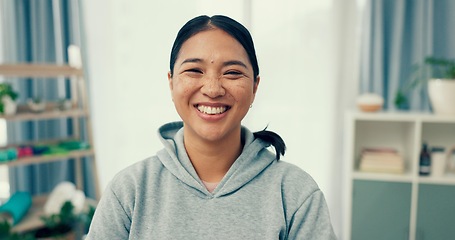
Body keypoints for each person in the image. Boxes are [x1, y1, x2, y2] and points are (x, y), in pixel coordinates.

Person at [86, 15, 336, 239]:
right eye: (194, 70)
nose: (213, 89)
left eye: (232, 73)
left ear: (255, 87)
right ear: (171, 83)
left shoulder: (296, 193)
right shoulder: (129, 190)